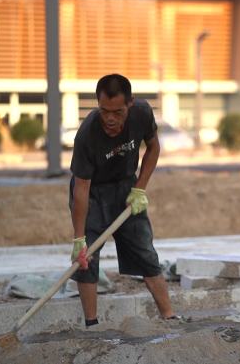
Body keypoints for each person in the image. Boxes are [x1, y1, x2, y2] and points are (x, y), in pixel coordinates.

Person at [69, 73, 175, 327]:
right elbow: (81, 188)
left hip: (127, 188)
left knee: (146, 254)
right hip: (93, 193)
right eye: (104, 111)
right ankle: (92, 326)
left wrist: (140, 188)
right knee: (86, 261)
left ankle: (170, 318)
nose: (110, 119)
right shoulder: (87, 135)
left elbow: (153, 147)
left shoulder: (141, 113)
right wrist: (79, 239)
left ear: (130, 103)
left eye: (117, 112)